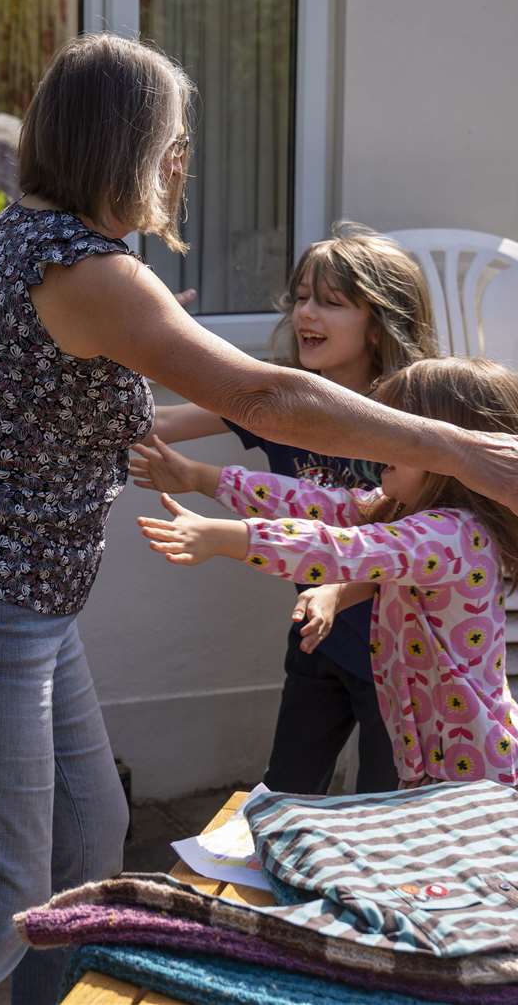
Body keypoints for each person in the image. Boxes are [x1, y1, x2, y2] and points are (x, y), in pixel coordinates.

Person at [0, 33, 518, 1005]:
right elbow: (267, 399)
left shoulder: (27, 238)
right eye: (172, 141)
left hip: (12, 605)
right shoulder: (89, 269)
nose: (179, 164)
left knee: (85, 842)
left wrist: (194, 458)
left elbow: (69, 421)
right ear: (126, 144)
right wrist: (457, 447)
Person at [137, 357, 518, 822]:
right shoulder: (403, 511)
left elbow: (343, 550)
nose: (380, 446)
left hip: (482, 790)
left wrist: (225, 538)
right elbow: (318, 504)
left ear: (458, 457)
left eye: (404, 436)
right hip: (435, 778)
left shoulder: (452, 535)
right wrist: (202, 477)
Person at [129, 225, 438, 795]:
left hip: (397, 657)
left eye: (331, 302)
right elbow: (156, 423)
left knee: (384, 812)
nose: (306, 315)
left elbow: (412, 546)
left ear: (381, 323)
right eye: (301, 298)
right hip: (315, 638)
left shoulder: (411, 420)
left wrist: (337, 590)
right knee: (286, 796)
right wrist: (124, 349)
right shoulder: (276, 399)